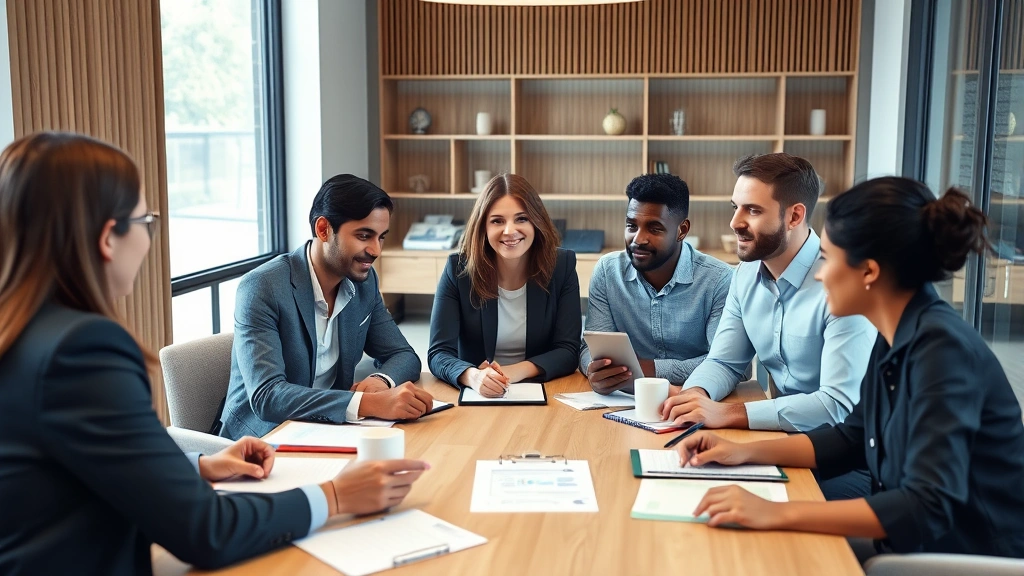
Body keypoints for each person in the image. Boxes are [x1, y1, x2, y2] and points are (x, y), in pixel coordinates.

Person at [0, 132, 430, 574]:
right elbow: (205, 530)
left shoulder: (23, 336)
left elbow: (70, 472)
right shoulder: (83, 351)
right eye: (146, 222)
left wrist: (198, 466)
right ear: (110, 237)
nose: (149, 242)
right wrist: (336, 496)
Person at [675, 177, 1024, 562]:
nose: (820, 274)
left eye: (828, 257)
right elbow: (852, 438)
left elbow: (928, 505)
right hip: (914, 546)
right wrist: (743, 454)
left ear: (869, 272)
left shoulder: (942, 351)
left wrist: (776, 511)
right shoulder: (897, 332)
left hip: (968, 559)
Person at [662, 153, 875, 435]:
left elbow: (836, 405)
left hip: (844, 452)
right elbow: (725, 361)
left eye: (752, 210)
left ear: (794, 216)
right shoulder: (744, 275)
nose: (734, 222)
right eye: (735, 207)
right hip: (780, 437)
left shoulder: (842, 285)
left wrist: (729, 413)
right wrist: (695, 395)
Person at [218, 174, 432, 439]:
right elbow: (267, 396)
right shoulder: (262, 287)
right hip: (261, 440)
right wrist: (369, 404)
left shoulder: (363, 283)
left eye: (381, 237)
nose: (376, 250)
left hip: (329, 430)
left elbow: (404, 355)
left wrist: (380, 382)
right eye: (364, 235)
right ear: (323, 230)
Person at [428, 174, 581, 395]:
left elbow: (568, 351)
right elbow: (439, 353)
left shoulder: (562, 267)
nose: (510, 231)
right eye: (497, 221)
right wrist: (474, 376)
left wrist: (509, 373)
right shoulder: (458, 270)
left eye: (521, 219)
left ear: (536, 221)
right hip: (477, 393)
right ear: (483, 227)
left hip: (543, 388)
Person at [580, 173, 733, 394]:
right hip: (626, 401)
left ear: (682, 230)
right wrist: (594, 369)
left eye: (654, 228)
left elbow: (730, 363)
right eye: (632, 226)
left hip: (699, 398)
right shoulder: (607, 271)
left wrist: (650, 369)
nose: (638, 239)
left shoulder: (718, 279)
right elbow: (590, 348)